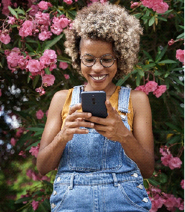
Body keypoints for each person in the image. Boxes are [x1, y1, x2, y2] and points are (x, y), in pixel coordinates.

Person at [36, 2, 154, 212]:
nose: (97, 68)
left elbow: (147, 169)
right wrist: (63, 135)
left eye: (107, 59)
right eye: (88, 59)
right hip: (71, 202)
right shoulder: (62, 99)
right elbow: (43, 167)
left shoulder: (137, 100)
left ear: (120, 58)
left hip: (125, 201)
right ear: (77, 58)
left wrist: (123, 134)